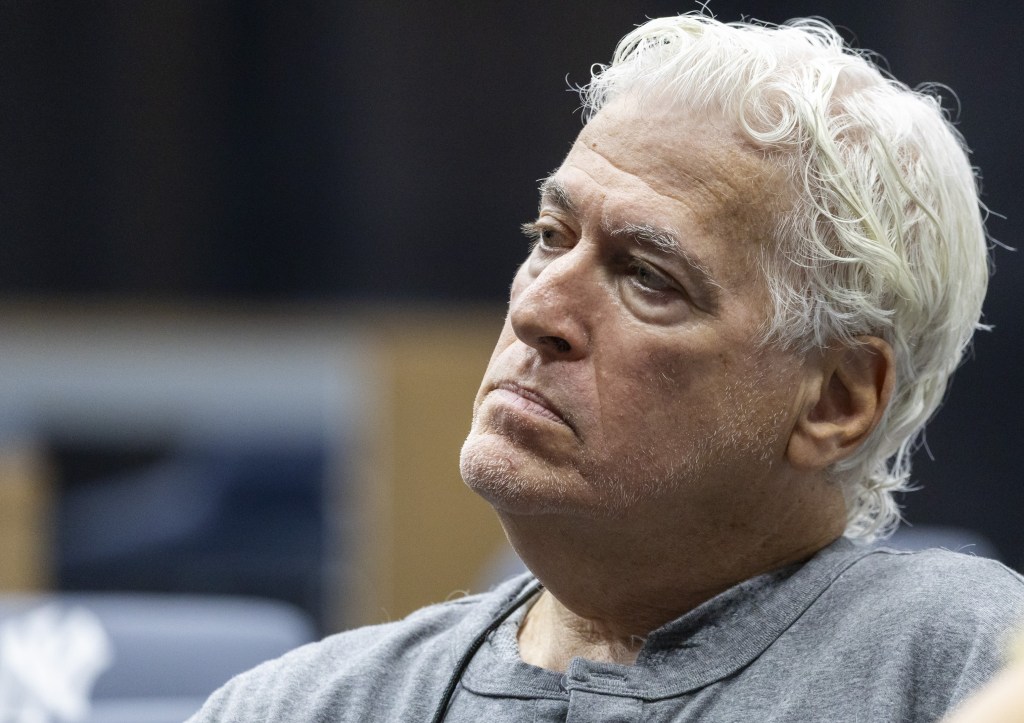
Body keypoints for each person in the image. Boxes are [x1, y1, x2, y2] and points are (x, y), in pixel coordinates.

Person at [189, 13, 1024, 723]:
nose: (537, 311)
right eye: (551, 237)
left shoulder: (966, 662)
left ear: (836, 401)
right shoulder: (302, 705)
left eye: (648, 277)